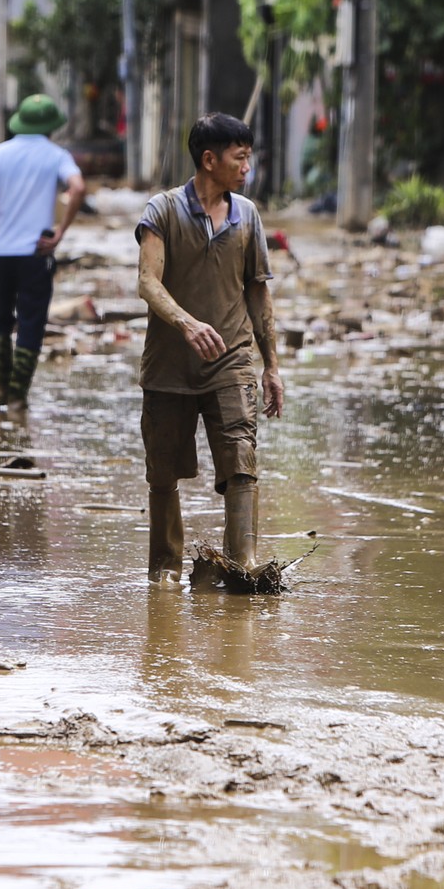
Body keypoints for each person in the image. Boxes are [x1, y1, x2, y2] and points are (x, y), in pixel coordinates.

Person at [134, 113, 285, 581]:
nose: (247, 167)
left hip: (232, 361)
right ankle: (165, 575)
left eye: (248, 157)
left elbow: (258, 290)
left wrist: (271, 366)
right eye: (239, 158)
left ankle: (242, 567)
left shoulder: (248, 215)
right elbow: (146, 282)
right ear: (208, 159)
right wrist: (186, 323)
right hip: (169, 365)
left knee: (242, 464)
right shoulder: (162, 210)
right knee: (163, 475)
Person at [0, 94, 86, 407]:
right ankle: (18, 394)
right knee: (31, 321)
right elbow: (78, 188)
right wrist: (60, 233)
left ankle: (0, 391)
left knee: (1, 318)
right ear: (50, 126)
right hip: (36, 252)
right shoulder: (57, 156)